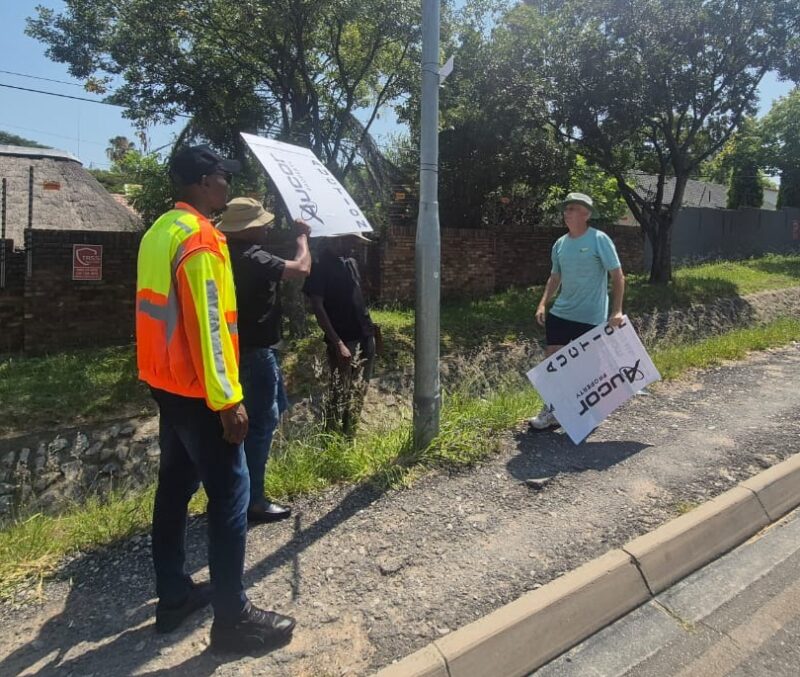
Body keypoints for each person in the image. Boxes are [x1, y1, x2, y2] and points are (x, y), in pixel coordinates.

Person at [136, 145, 295, 653]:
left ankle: (174, 595)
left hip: (166, 384)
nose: (228, 184)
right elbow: (209, 324)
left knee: (174, 488)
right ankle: (233, 620)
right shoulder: (201, 238)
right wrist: (228, 400)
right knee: (230, 498)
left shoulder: (160, 231)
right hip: (200, 391)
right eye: (224, 176)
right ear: (204, 182)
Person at [218, 197, 311, 523]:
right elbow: (301, 268)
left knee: (273, 409)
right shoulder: (251, 256)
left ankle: (233, 493)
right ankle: (252, 500)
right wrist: (302, 238)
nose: (268, 228)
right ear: (248, 228)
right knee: (259, 425)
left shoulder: (224, 253)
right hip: (255, 353)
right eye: (262, 224)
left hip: (241, 350)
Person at [529, 192, 626, 430]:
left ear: (586, 214)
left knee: (587, 369)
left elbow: (617, 275)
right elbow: (555, 277)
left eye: (572, 208)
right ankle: (551, 411)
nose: (566, 212)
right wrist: (543, 303)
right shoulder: (560, 244)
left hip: (591, 317)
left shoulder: (599, 239)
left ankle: (587, 412)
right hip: (561, 313)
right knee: (553, 364)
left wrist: (617, 311)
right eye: (566, 209)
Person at [303, 234, 376, 437]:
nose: (353, 247)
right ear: (338, 240)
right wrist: (338, 343)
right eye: (351, 242)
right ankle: (332, 438)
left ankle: (350, 434)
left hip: (365, 335)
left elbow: (357, 297)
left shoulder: (351, 263)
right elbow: (317, 306)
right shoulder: (319, 265)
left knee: (360, 388)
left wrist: (372, 332)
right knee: (339, 392)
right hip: (344, 340)